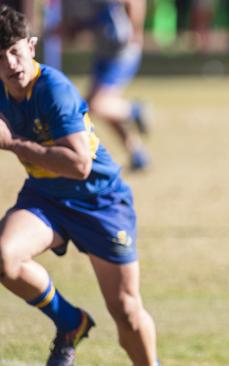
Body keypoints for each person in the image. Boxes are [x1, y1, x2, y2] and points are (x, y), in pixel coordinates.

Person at [0, 5, 158, 365]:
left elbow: (79, 166)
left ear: (31, 46)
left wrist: (11, 144)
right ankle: (70, 322)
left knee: (126, 312)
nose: (10, 64)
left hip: (99, 200)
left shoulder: (53, 89)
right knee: (3, 257)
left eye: (14, 50)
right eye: (0, 57)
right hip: (45, 197)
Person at [58, 0, 150, 171]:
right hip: (103, 54)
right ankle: (137, 154)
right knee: (99, 105)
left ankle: (134, 110)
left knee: (96, 105)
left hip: (122, 53)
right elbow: (73, 32)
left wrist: (135, 30)